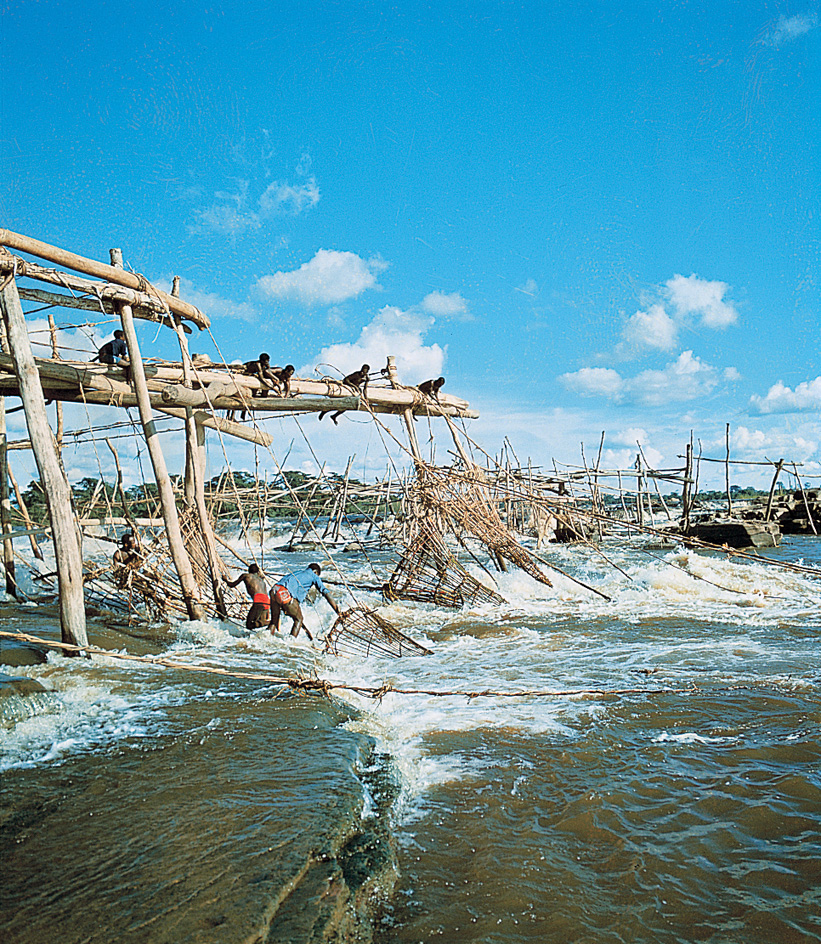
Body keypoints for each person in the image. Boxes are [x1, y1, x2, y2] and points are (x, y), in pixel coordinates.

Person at [269, 563, 341, 640]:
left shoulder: (298, 572)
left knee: (274, 620)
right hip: (284, 593)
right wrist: (337, 611)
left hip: (274, 589)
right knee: (298, 619)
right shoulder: (314, 576)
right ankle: (289, 642)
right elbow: (325, 592)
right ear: (316, 572)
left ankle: (267, 636)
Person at [227, 562, 270, 629]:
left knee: (249, 625)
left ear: (249, 570)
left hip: (258, 599)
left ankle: (272, 622)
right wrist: (268, 611)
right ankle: (271, 623)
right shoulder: (262, 580)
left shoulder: (246, 576)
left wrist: (225, 580)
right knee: (260, 622)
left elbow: (232, 585)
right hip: (267, 601)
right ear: (258, 572)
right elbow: (265, 595)